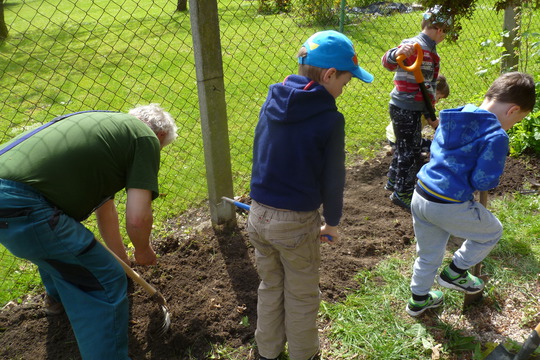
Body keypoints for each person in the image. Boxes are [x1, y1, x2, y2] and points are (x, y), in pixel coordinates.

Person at [0, 104, 178, 359]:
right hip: (22, 205)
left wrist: (122, 260)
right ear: (159, 137)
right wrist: (142, 251)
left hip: (11, 198)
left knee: (60, 248)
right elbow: (138, 219)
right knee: (103, 278)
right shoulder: (145, 138)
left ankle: (57, 300)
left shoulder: (103, 129)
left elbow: (105, 210)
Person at [247, 30, 373, 360]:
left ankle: (267, 353)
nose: (343, 91)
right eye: (344, 83)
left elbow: (261, 150)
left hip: (257, 214)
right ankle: (305, 355)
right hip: (294, 222)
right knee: (302, 294)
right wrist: (331, 222)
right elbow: (333, 179)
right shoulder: (329, 119)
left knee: (270, 286)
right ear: (330, 75)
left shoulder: (272, 99)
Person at [406, 72, 536, 317]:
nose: (513, 125)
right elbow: (482, 180)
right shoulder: (496, 136)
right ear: (513, 110)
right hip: (448, 203)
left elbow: (437, 150)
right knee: (491, 232)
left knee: (428, 254)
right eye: (518, 120)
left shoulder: (456, 115)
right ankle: (455, 272)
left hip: (422, 193)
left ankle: (418, 300)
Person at [381, 5, 453, 211]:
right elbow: (387, 63)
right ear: (440, 30)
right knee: (410, 152)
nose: (444, 37)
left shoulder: (430, 49)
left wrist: (429, 113)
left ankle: (394, 181)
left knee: (405, 148)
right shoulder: (414, 45)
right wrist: (396, 54)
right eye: (445, 33)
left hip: (413, 106)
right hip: (404, 107)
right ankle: (402, 193)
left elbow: (428, 85)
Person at [384, 74, 450, 164]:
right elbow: (434, 123)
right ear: (434, 91)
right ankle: (405, 152)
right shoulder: (427, 105)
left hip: (392, 136)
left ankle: (397, 149)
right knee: (432, 145)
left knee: (412, 140)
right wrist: (444, 134)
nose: (437, 101)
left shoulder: (416, 100)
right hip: (403, 140)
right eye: (439, 97)